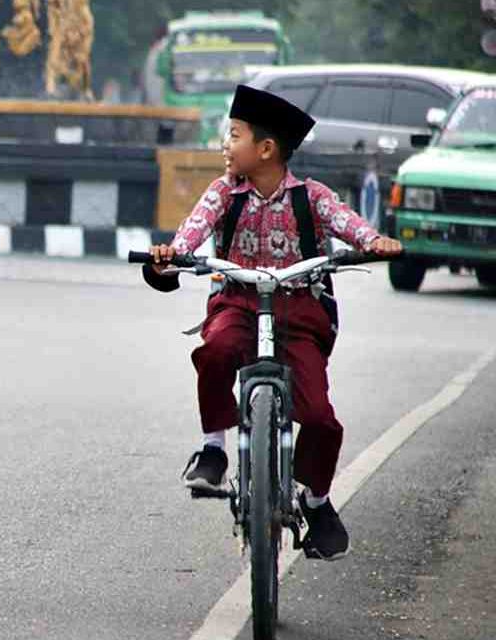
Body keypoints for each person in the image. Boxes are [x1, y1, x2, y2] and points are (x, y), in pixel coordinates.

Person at [143, 85, 403, 561]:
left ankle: (316, 501)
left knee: (322, 420)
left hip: (300, 312)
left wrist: (377, 241)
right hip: (237, 303)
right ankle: (214, 449)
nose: (226, 144)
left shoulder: (313, 197)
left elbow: (352, 226)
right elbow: (192, 232)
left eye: (234, 135)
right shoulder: (224, 192)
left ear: (265, 150)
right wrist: (169, 256)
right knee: (216, 350)